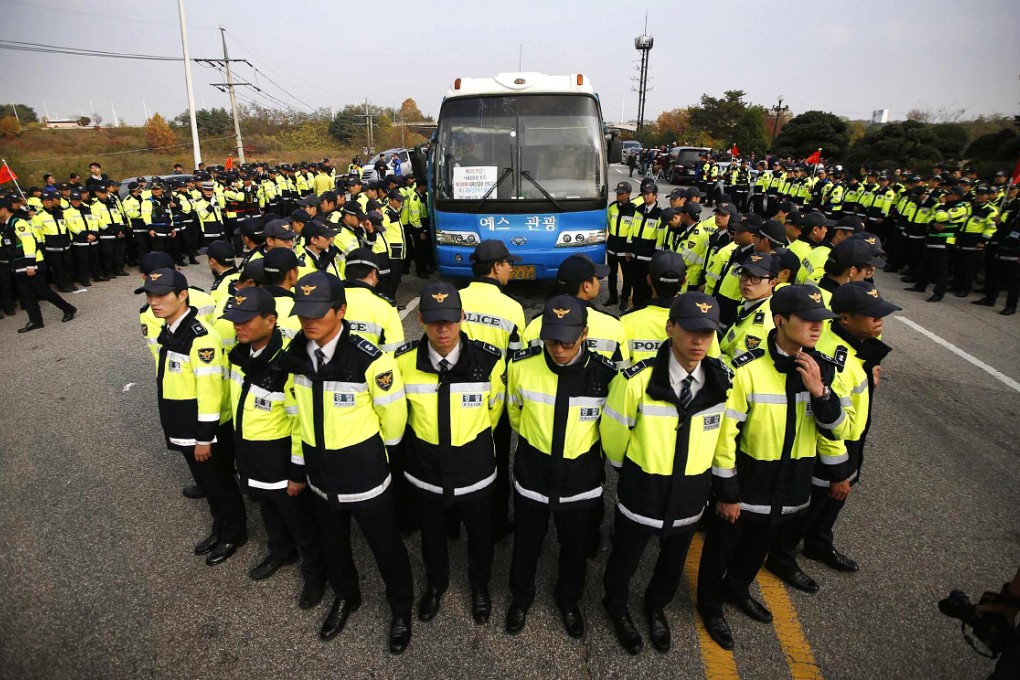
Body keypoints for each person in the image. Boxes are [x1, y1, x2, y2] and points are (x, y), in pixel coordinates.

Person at [697, 284, 850, 650]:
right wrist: (727, 492)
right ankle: (710, 605)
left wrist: (820, 393)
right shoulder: (746, 370)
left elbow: (836, 427)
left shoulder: (821, 369)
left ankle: (737, 590)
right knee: (721, 548)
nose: (817, 328)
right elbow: (724, 436)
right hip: (749, 482)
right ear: (780, 321)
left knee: (757, 548)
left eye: (822, 321)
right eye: (808, 320)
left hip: (791, 484)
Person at [280, 271, 414, 654]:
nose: (308, 321)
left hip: (365, 475)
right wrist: (298, 465)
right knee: (334, 544)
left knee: (385, 546)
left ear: (340, 311)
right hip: (320, 473)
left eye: (318, 313)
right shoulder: (296, 355)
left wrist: (377, 458)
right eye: (303, 313)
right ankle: (346, 595)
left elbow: (393, 420)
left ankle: (400, 607)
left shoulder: (370, 360)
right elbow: (295, 414)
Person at [600, 292, 730, 655]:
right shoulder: (636, 381)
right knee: (626, 556)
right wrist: (632, 471)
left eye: (708, 333)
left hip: (690, 494)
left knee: (672, 562)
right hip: (644, 491)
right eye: (690, 331)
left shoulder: (721, 382)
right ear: (670, 327)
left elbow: (722, 438)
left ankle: (656, 606)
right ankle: (616, 604)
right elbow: (613, 435)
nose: (699, 341)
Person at [767, 281, 898, 591]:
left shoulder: (856, 347)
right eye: (871, 315)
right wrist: (837, 471)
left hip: (852, 441)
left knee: (833, 503)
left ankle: (818, 541)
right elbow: (826, 422)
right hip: (833, 449)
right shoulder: (833, 361)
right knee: (814, 503)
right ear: (845, 320)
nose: (879, 321)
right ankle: (782, 556)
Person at [504, 295, 618, 640]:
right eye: (551, 339)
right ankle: (520, 598)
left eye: (567, 340)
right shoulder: (521, 367)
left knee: (574, 547)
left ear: (584, 333)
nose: (558, 348)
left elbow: (608, 429)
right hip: (533, 475)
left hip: (580, 480)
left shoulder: (605, 375)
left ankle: (569, 601)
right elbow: (516, 416)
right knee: (526, 543)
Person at [394, 282, 505, 625]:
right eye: (434, 321)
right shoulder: (402, 363)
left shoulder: (489, 362)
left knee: (480, 535)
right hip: (425, 469)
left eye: (450, 321)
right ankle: (435, 585)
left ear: (462, 317)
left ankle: (479, 586)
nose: (443, 329)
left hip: (474, 468)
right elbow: (400, 416)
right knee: (432, 535)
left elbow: (493, 413)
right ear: (422, 320)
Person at [221, 287, 326, 608]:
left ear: (270, 321)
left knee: (298, 519)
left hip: (280, 458)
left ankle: (315, 575)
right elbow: (241, 407)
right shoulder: (241, 356)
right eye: (233, 320)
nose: (237, 326)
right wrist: (239, 451)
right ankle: (281, 550)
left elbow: (299, 424)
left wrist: (297, 472)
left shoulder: (287, 366)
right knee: (266, 507)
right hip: (251, 452)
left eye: (245, 320)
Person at [135, 268, 248, 565]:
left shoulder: (200, 337)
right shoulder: (171, 329)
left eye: (161, 296)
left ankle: (234, 533)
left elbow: (210, 392)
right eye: (149, 295)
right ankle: (220, 526)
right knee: (208, 484)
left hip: (202, 430)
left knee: (220, 483)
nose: (154, 302)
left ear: (182, 295)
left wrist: (204, 438)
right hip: (183, 423)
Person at [460, 239, 527, 540]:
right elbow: (517, 361)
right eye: (508, 264)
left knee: (454, 454)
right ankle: (497, 523)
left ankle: (452, 523)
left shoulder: (455, 298)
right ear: (496, 267)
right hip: (494, 404)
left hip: (453, 399)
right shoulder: (512, 308)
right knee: (496, 461)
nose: (511, 269)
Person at [521, 254, 630, 369]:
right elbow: (622, 375)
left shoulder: (535, 325)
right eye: (596, 278)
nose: (598, 282)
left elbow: (521, 367)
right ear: (586, 286)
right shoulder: (613, 326)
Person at [0, 197, 76, 332]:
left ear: (4, 210)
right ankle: (36, 321)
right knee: (26, 294)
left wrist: (30, 264)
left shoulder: (18, 223)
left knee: (43, 292)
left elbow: (29, 242)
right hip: (19, 265)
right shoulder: (7, 224)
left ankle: (68, 308)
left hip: (31, 264)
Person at [719, 253, 779, 362]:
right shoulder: (750, 305)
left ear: (773, 282)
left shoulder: (761, 325)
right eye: (744, 275)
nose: (747, 282)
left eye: (756, 278)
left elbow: (740, 368)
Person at [606, 182, 636, 308]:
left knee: (627, 275)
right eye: (617, 192)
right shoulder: (612, 207)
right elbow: (608, 223)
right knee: (611, 274)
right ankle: (612, 297)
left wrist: (629, 249)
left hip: (625, 248)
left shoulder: (634, 210)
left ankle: (624, 298)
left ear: (628, 194)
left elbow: (634, 230)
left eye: (621, 193)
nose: (618, 195)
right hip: (612, 246)